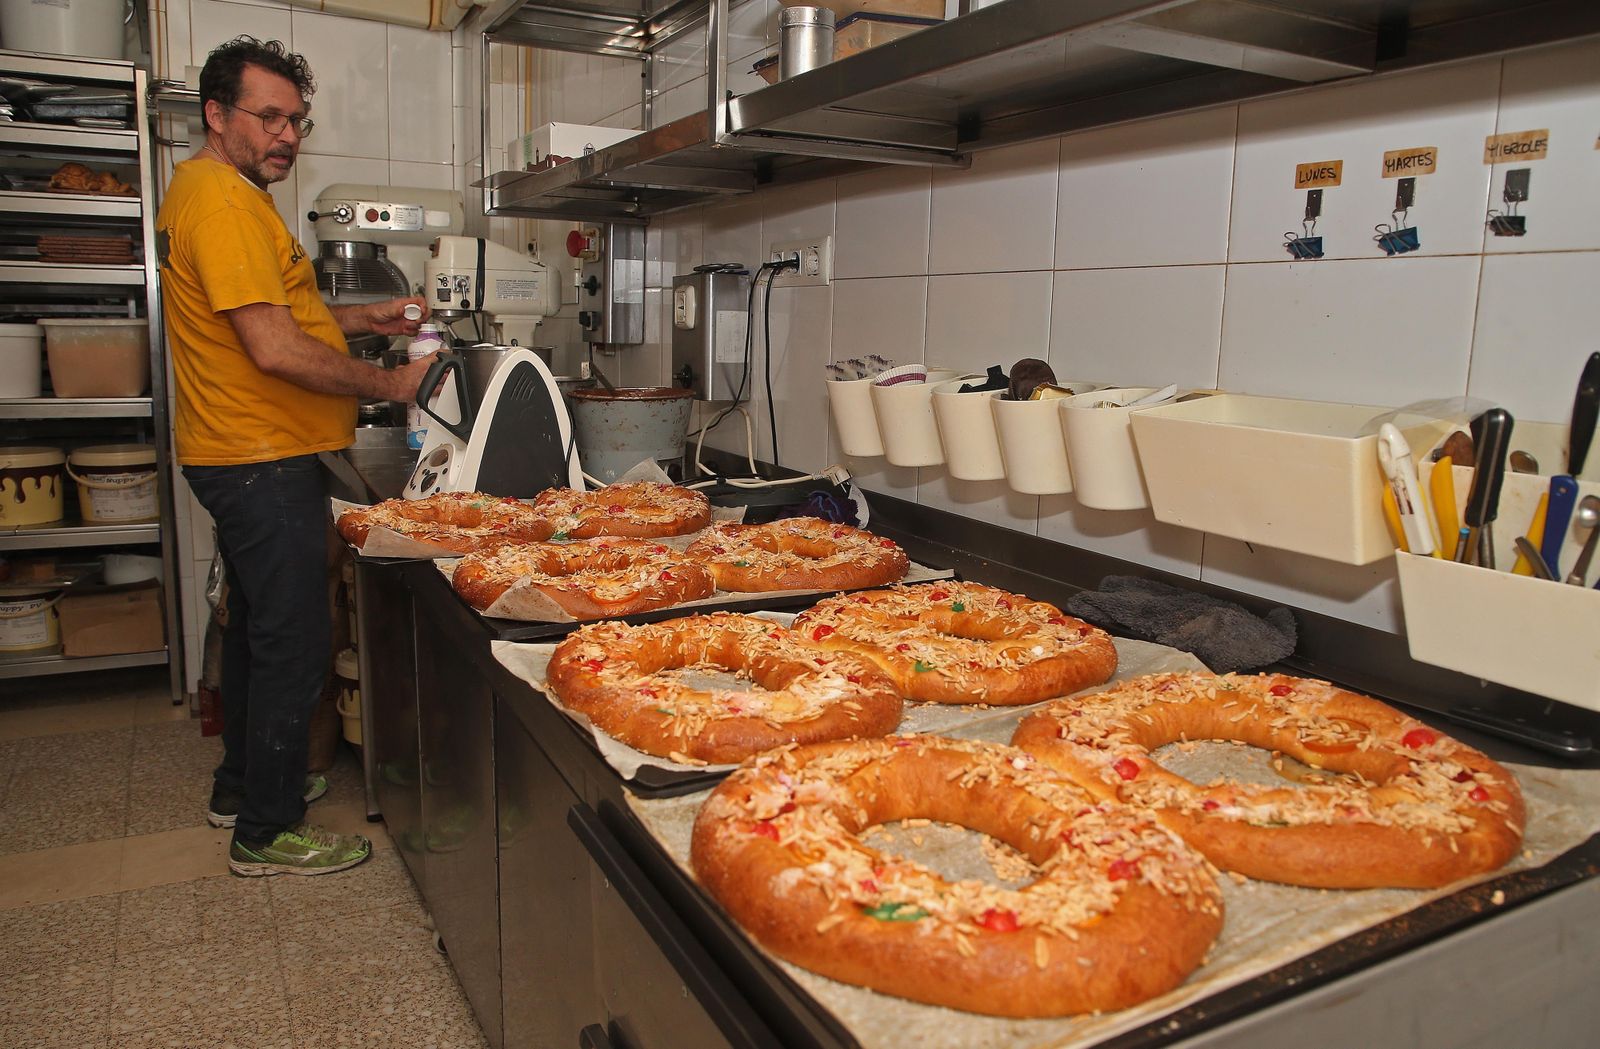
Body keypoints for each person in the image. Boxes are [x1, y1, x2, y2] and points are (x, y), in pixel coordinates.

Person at [156, 36, 437, 877]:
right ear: (216, 114)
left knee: (252, 631)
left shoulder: (213, 191)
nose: (286, 134)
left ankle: (243, 785)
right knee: (294, 640)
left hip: (238, 447)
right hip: (259, 451)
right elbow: (274, 349)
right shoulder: (226, 206)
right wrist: (393, 387)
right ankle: (267, 830)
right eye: (267, 116)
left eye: (296, 120)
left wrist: (370, 318)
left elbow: (273, 314)